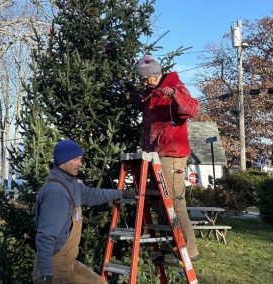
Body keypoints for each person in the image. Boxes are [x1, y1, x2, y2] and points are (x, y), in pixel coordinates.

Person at [125, 55, 200, 260]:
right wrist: (133, 94)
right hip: (154, 153)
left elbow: (192, 109)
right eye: (141, 79)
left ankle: (190, 250)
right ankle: (170, 246)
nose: (143, 82)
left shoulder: (174, 85)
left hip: (172, 153)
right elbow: (143, 107)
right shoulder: (151, 92)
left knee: (175, 201)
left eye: (145, 78)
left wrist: (174, 94)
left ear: (155, 74)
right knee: (160, 202)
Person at [33, 139, 136, 284]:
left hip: (69, 263)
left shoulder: (71, 185)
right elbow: (45, 236)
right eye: (76, 159)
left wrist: (122, 194)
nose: (80, 164)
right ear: (63, 161)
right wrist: (45, 275)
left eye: (80, 159)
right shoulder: (56, 193)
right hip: (53, 266)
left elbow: (95, 195)